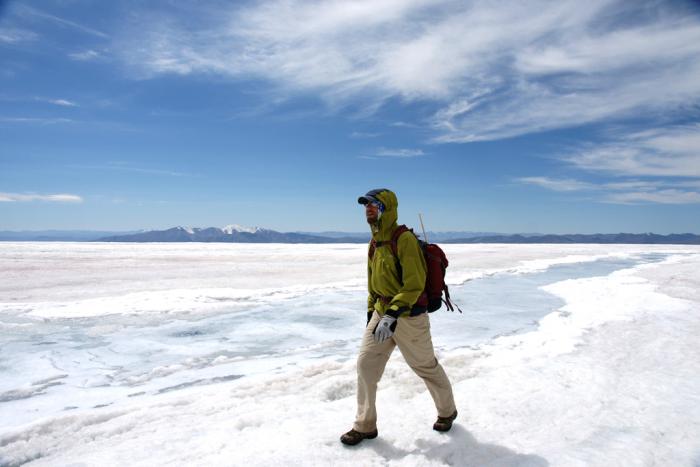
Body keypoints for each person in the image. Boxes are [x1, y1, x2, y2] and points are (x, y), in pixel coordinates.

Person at [340, 188, 457, 446]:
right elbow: (373, 283)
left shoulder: (402, 239)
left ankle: (447, 411)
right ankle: (365, 425)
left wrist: (393, 313)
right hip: (382, 313)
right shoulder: (374, 243)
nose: (368, 209)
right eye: (365, 205)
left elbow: (414, 284)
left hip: (408, 317)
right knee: (366, 365)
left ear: (387, 208)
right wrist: (373, 312)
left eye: (373, 204)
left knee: (424, 366)